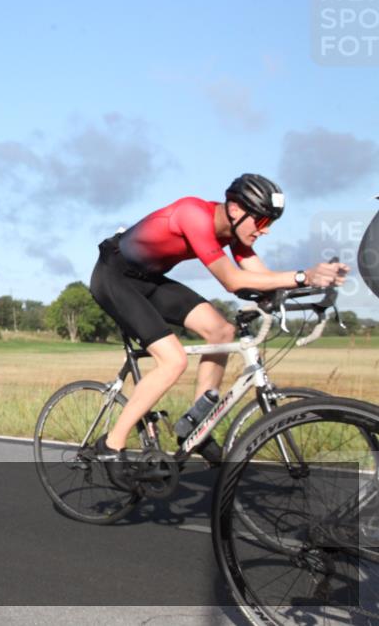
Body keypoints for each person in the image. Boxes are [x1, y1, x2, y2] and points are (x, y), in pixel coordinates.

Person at [88, 173, 350, 488]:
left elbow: (262, 277)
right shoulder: (193, 215)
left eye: (271, 223)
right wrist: (303, 277)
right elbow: (234, 280)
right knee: (172, 360)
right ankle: (111, 444)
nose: (265, 230)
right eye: (263, 220)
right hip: (114, 277)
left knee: (222, 331)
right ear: (237, 210)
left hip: (150, 280)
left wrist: (314, 285)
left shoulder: (236, 233)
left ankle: (195, 427)